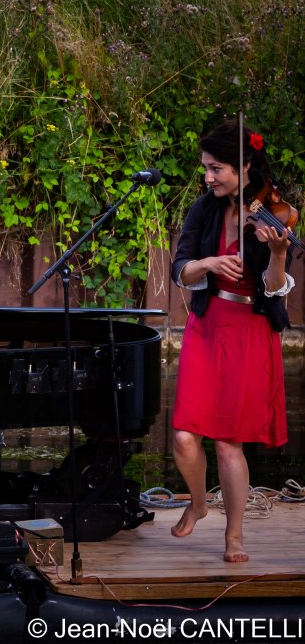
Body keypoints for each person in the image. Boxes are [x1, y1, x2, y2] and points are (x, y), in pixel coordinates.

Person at [170, 119, 291, 562]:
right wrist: (209, 263)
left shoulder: (271, 213)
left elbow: (274, 288)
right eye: (206, 167)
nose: (208, 177)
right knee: (184, 437)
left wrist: (278, 253)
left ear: (244, 167)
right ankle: (199, 502)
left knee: (228, 441)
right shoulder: (203, 210)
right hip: (208, 325)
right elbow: (180, 269)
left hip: (249, 330)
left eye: (216, 168)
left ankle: (234, 536)